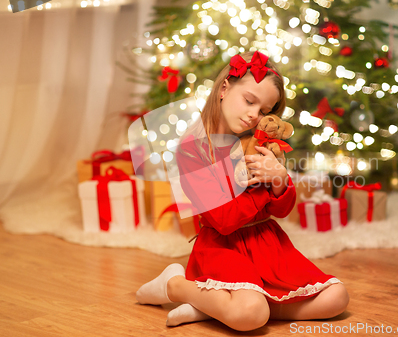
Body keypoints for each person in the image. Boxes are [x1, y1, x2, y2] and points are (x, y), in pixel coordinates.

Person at [135, 51, 349, 331]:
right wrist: (263, 186)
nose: (253, 115)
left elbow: (281, 211)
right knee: (252, 315)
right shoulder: (193, 148)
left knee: (337, 298)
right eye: (249, 101)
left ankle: (216, 306)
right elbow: (224, 221)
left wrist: (279, 179)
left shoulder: (259, 142)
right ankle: (176, 286)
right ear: (224, 88)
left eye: (264, 111)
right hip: (223, 248)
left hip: (266, 242)